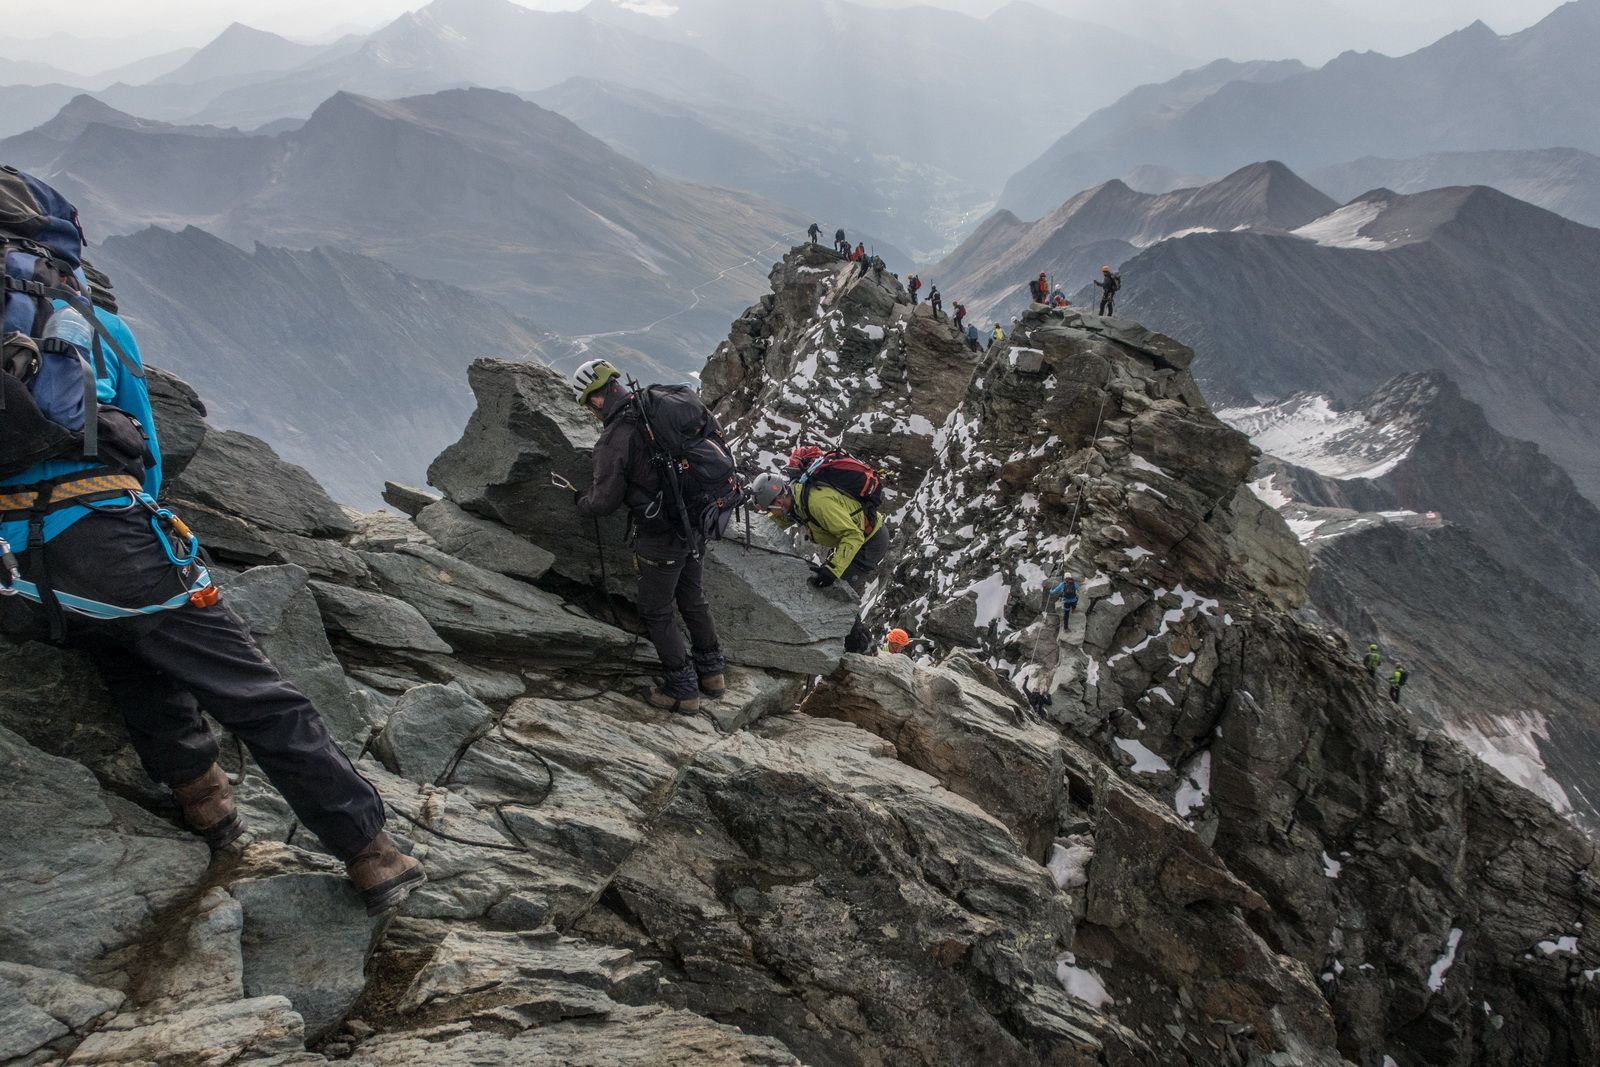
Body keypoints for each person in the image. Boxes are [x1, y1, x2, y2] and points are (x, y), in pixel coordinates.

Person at [1, 183, 423, 917]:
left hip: (17, 576)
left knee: (127, 653)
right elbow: (147, 456)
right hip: (108, 541)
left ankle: (209, 811)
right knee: (259, 694)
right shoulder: (86, 320)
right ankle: (371, 852)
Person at [570, 359, 726, 713]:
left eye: (588, 405)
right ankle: (713, 674)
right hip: (697, 524)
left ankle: (682, 689)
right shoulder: (656, 408)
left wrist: (579, 501)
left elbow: (604, 500)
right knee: (692, 598)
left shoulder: (615, 438)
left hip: (660, 535)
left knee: (656, 609)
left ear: (595, 400)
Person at [749, 470, 890, 655]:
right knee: (836, 590)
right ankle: (857, 644)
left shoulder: (817, 502)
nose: (771, 513)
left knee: (839, 595)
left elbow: (853, 535)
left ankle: (861, 650)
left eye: (769, 508)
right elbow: (776, 521)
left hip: (869, 541)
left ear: (778, 501)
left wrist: (833, 570)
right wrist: (750, 531)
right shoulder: (794, 502)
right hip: (855, 539)